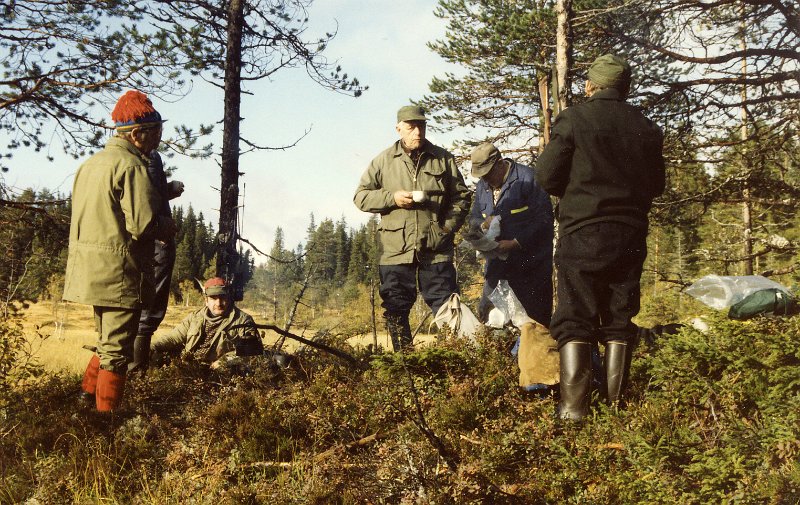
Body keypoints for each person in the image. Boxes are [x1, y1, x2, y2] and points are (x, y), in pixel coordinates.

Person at [535, 54, 666, 420]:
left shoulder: (574, 119)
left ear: (591, 86)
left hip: (583, 231)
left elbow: (546, 177)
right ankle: (615, 412)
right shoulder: (646, 126)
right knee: (619, 319)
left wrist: (579, 191)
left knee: (575, 315)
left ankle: (574, 412)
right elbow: (657, 184)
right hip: (630, 234)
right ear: (625, 88)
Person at [64, 90, 172, 412]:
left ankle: (85, 403)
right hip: (118, 273)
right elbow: (144, 225)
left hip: (90, 270)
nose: (158, 140)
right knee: (116, 351)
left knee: (106, 341)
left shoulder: (91, 165)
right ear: (137, 134)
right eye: (155, 133)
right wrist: (168, 226)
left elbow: (106, 211)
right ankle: (105, 423)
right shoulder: (132, 166)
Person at [354, 105, 471, 351]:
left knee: (446, 304)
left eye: (421, 126)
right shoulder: (383, 161)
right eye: (411, 127)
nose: (417, 132)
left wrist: (447, 228)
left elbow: (461, 197)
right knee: (396, 307)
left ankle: (456, 361)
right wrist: (391, 198)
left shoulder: (443, 159)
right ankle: (404, 366)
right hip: (396, 250)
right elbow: (361, 197)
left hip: (436, 247)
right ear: (399, 129)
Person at [469, 142, 554, 328]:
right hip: (496, 271)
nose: (485, 180)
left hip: (531, 270)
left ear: (500, 163)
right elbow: (474, 218)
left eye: (488, 174)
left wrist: (516, 242)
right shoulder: (482, 186)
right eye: (481, 176)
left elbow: (544, 220)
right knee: (491, 322)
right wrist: (482, 225)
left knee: (534, 326)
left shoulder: (529, 179)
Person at [128, 152, 184, 374]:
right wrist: (161, 227)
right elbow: (147, 199)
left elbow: (141, 197)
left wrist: (169, 190)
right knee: (148, 312)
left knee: (124, 316)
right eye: (154, 130)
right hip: (155, 242)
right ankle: (136, 371)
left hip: (134, 242)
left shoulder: (120, 157)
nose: (157, 135)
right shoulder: (149, 156)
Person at [150, 277, 264, 365]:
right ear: (206, 300)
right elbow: (173, 337)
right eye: (214, 298)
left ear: (229, 298)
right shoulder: (194, 317)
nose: (218, 303)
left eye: (222, 298)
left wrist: (225, 361)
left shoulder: (243, 320)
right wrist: (151, 347)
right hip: (190, 367)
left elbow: (252, 351)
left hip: (220, 373)